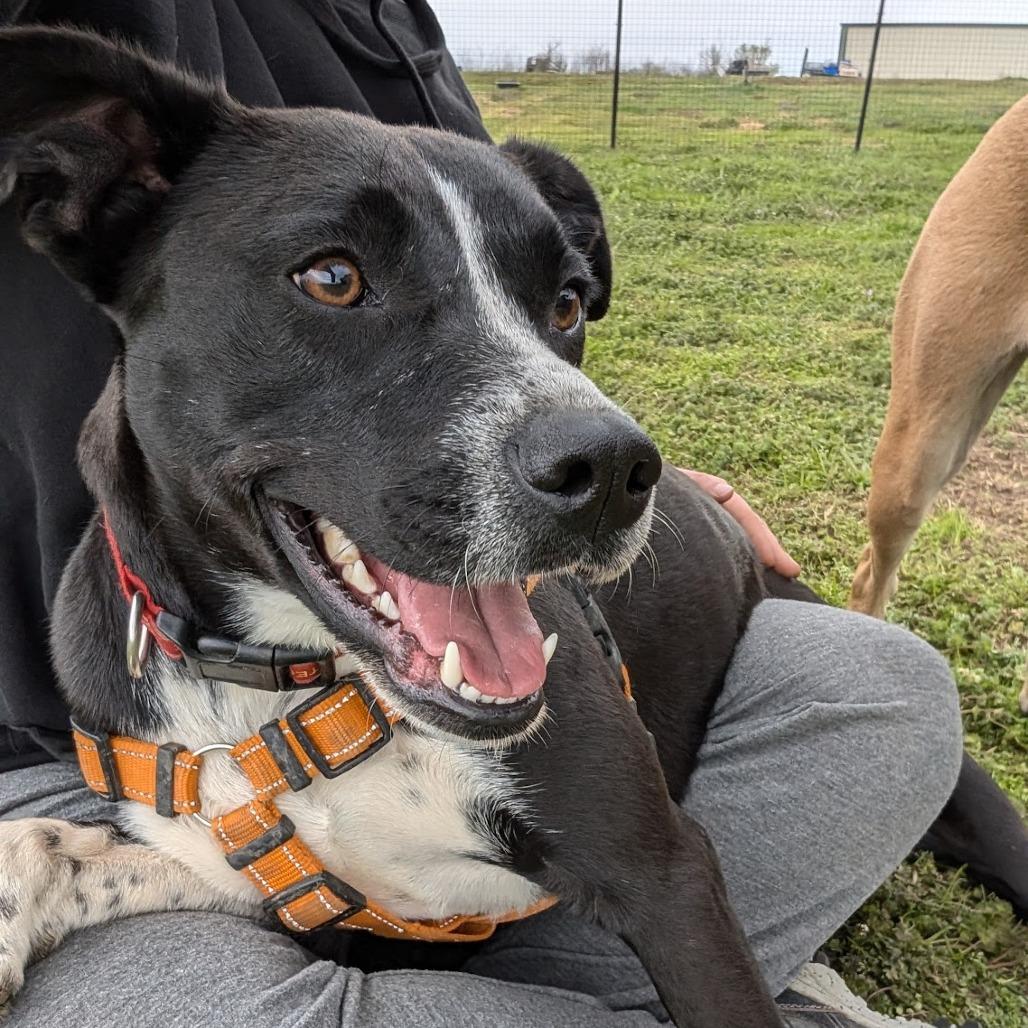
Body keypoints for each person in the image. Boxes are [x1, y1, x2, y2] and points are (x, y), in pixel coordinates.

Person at [0, 4, 970, 1026]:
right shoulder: (140, 146)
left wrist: (590, 463)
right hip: (63, 763)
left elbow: (487, 320)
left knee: (889, 684)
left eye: (563, 309)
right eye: (335, 278)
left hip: (471, 664)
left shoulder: (390, 24)